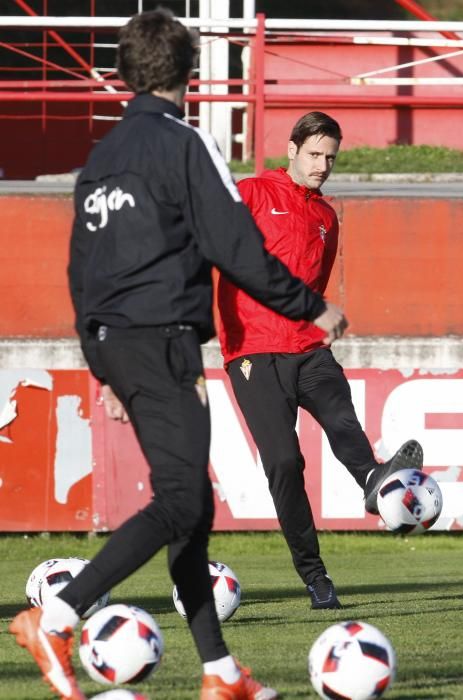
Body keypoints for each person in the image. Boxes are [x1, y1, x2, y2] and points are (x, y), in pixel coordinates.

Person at [9, 11, 350, 700]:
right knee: (179, 501)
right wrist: (310, 305)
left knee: (190, 509)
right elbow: (236, 246)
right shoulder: (184, 144)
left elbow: (82, 272)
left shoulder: (99, 160)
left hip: (118, 342)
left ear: (123, 74)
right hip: (163, 341)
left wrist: (102, 366)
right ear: (189, 75)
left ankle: (220, 672)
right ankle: (59, 615)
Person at [217, 111, 423, 611]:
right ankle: (314, 576)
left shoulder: (327, 217)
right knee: (284, 464)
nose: (323, 165)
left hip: (307, 345)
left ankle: (374, 480)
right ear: (291, 150)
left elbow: (317, 282)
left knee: (340, 414)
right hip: (253, 349)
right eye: (314, 154)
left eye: (330, 157)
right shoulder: (251, 194)